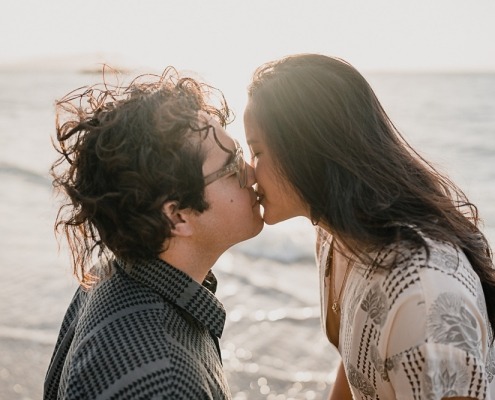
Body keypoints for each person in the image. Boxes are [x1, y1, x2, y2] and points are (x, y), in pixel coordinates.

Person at [243, 54, 495, 399]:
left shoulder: (421, 297)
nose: (247, 171)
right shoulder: (337, 234)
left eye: (256, 152)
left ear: (304, 151)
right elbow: (356, 363)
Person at [44, 68, 264, 400]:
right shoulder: (168, 382)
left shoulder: (109, 272)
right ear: (177, 217)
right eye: (232, 167)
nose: (251, 173)